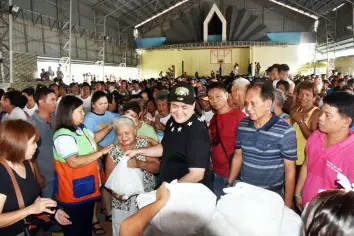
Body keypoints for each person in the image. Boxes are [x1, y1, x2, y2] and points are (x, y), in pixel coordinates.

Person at [126, 82, 211, 187]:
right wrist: (137, 151)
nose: (179, 112)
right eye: (175, 106)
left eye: (184, 107)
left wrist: (170, 189)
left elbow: (196, 174)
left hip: (186, 192)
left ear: (193, 105)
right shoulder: (172, 121)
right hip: (169, 185)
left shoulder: (197, 130)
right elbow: (164, 147)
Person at [227, 82, 297, 208]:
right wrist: (230, 183)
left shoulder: (285, 131)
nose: (248, 108)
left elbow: (290, 170)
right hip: (245, 191)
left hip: (271, 195)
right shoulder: (243, 125)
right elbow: (238, 156)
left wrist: (287, 204)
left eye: (253, 103)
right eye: (246, 103)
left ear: (268, 103)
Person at [53, 95, 114, 236]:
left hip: (86, 188)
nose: (84, 113)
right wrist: (101, 152)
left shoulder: (80, 128)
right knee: (75, 230)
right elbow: (73, 161)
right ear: (68, 113)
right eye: (80, 111)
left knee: (85, 228)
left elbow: (93, 138)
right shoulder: (64, 135)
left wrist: (110, 126)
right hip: (73, 192)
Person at [0, 120, 71, 236]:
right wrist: (30, 210)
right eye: (33, 143)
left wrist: (54, 212)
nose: (36, 147)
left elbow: (32, 197)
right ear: (18, 144)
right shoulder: (2, 172)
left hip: (29, 229)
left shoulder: (26, 163)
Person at [295, 92, 354, 210]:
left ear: (346, 121)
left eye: (327, 115)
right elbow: (307, 165)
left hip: (329, 216)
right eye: (322, 112)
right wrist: (298, 193)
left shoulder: (351, 152)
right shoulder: (316, 136)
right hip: (307, 205)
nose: (320, 118)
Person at [106, 115, 160, 235]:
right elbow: (108, 180)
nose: (123, 137)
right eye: (119, 134)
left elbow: (157, 168)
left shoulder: (144, 145)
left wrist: (139, 163)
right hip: (122, 203)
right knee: (123, 230)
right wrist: (115, 193)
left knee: (146, 230)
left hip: (145, 200)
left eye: (127, 133)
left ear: (135, 131)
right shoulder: (113, 152)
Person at [83, 91, 119, 234]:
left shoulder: (110, 115)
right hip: (97, 155)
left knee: (107, 185)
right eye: (100, 104)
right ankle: (94, 219)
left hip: (110, 154)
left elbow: (121, 118)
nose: (104, 106)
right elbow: (90, 140)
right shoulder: (89, 119)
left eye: (106, 103)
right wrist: (109, 127)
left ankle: (109, 212)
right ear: (93, 104)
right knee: (96, 188)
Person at [208, 82, 246, 199]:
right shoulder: (214, 117)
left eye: (218, 97)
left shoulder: (239, 116)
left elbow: (245, 148)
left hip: (231, 173)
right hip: (215, 170)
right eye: (210, 98)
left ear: (226, 95)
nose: (214, 101)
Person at [27, 87, 57, 198]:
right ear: (41, 102)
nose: (55, 103)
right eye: (52, 100)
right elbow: (30, 155)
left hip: (60, 171)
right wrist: (38, 175)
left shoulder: (56, 118)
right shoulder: (31, 124)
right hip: (45, 175)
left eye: (56, 99)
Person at [290, 81, 320, 177]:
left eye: (308, 95)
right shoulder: (297, 109)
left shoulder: (316, 113)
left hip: (303, 160)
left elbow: (313, 139)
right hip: (292, 156)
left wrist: (300, 121)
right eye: (301, 94)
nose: (303, 97)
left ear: (314, 98)